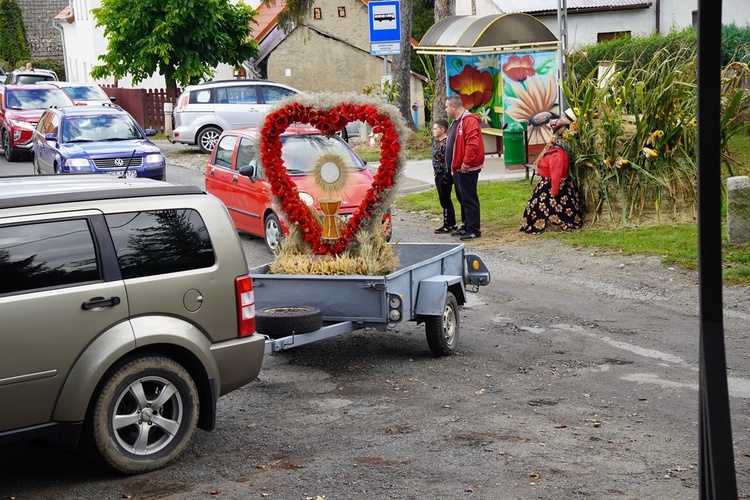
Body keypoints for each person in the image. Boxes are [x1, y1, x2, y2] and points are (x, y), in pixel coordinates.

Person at [519, 118, 583, 234]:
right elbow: (556, 174)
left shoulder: (552, 150)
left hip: (550, 183)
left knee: (542, 206)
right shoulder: (557, 153)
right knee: (555, 206)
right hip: (555, 184)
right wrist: (554, 192)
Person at [444, 94, 485, 240]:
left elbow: (472, 144)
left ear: (453, 107)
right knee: (462, 197)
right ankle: (467, 225)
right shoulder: (457, 121)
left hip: (466, 168)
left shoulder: (469, 121)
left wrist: (466, 163)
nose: (446, 109)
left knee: (469, 198)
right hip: (457, 168)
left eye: (447, 106)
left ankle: (474, 229)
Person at [431, 119, 457, 233]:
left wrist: (446, 175)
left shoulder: (446, 143)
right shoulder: (437, 142)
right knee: (444, 198)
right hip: (438, 173)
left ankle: (448, 223)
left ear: (442, 130)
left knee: (445, 198)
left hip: (444, 174)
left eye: (435, 129)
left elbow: (447, 160)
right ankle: (452, 222)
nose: (433, 131)